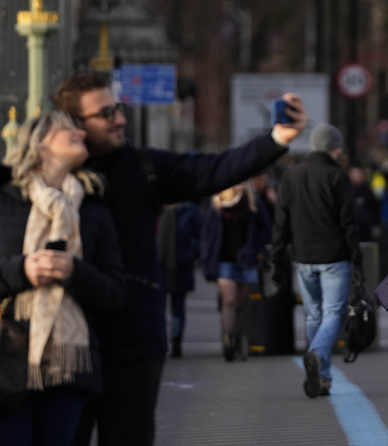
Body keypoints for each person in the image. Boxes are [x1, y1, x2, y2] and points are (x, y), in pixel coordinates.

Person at [53, 71, 306, 446]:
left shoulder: (144, 167)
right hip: (64, 341)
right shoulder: (42, 182)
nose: (120, 119)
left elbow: (211, 171)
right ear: (73, 125)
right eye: (106, 113)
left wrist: (276, 140)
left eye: (118, 109)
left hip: (133, 342)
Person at [0, 112, 126, 445]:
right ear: (40, 141)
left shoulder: (94, 210)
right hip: (1, 358)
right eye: (68, 128)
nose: (80, 133)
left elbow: (115, 293)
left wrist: (75, 272)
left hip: (70, 367)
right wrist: (23, 270)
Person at [271, 123, 363, 398]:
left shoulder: (291, 175)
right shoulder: (337, 175)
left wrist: (277, 256)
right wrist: (357, 258)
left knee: (313, 315)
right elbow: (348, 222)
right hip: (335, 256)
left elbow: (281, 221)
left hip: (302, 257)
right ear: (334, 148)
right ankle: (317, 353)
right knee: (334, 313)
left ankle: (321, 376)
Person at [201, 181, 272, 361]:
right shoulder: (217, 202)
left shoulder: (251, 200)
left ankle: (240, 342)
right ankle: (228, 342)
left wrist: (256, 248)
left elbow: (266, 228)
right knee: (229, 300)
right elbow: (208, 234)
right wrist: (207, 258)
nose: (240, 183)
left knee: (241, 304)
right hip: (224, 261)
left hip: (246, 260)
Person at [157, 201, 203, 358]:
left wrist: (189, 255)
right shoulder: (156, 207)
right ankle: (160, 342)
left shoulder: (189, 210)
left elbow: (201, 237)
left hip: (180, 266)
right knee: (158, 308)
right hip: (158, 266)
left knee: (177, 308)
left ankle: (176, 342)